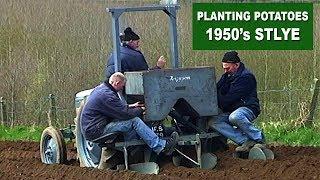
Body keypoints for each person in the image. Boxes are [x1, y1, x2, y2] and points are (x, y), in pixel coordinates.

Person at [81, 72, 179, 155]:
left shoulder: (102, 89)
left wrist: (132, 105)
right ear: (117, 82)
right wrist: (142, 110)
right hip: (96, 131)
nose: (122, 88)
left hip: (94, 127)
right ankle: (161, 146)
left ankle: (133, 149)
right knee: (134, 121)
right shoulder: (107, 95)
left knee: (126, 120)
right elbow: (125, 114)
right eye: (122, 86)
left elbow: (116, 108)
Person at [209, 51, 264, 152]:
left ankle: (259, 139)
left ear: (236, 65)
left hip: (248, 108)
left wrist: (217, 98)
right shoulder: (227, 76)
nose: (225, 71)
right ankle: (245, 141)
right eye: (224, 68)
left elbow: (228, 99)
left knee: (235, 117)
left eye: (227, 68)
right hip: (233, 109)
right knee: (213, 121)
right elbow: (215, 90)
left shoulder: (246, 77)